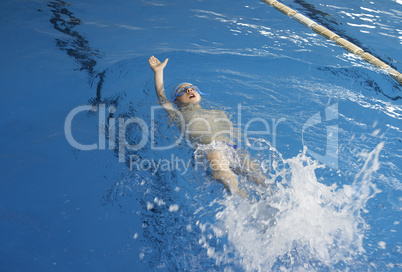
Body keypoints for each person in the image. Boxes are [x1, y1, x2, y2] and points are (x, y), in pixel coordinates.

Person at [148, 55, 265, 196]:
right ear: (176, 101)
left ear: (199, 94)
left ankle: (272, 195)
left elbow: (233, 131)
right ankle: (242, 197)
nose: (189, 90)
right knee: (222, 169)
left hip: (231, 147)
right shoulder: (177, 114)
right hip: (208, 149)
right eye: (182, 91)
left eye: (192, 88)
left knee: (257, 175)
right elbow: (162, 99)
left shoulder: (218, 112)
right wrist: (158, 72)